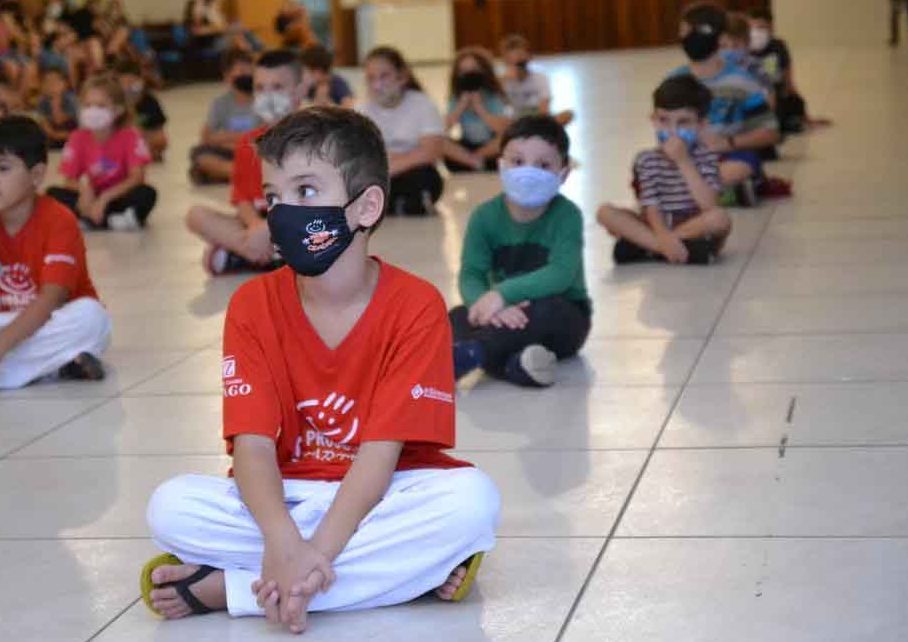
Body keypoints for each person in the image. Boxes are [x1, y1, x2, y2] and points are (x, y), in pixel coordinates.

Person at [141, 106, 500, 633]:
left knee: (471, 503)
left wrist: (310, 552)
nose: (284, 211)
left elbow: (381, 456)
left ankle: (233, 588)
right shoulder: (252, 305)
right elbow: (252, 447)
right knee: (169, 507)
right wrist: (283, 539)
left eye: (306, 191)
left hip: (386, 490)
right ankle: (406, 574)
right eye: (273, 197)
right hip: (288, 493)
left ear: (366, 206)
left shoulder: (417, 305)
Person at [450, 115, 590, 388]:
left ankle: (473, 353)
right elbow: (471, 274)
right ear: (501, 166)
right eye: (517, 161)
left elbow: (561, 274)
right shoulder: (484, 217)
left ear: (563, 174)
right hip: (501, 314)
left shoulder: (567, 215)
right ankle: (518, 368)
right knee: (457, 315)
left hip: (561, 317)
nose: (528, 173)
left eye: (543, 165)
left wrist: (502, 295)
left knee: (548, 310)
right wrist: (485, 304)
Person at [0, 115, 111, 389]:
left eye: (2, 168)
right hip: (7, 321)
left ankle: (12, 371)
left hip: (52, 319)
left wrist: (3, 344)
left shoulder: (58, 220)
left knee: (92, 318)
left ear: (36, 175)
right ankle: (51, 366)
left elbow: (51, 299)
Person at [185, 49, 303, 275]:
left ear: (298, 92)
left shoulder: (311, 140)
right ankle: (268, 255)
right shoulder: (248, 143)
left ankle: (245, 255)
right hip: (260, 222)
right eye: (260, 88)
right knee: (196, 215)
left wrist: (268, 229)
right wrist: (255, 226)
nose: (268, 96)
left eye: (277, 87)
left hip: (296, 221)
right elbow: (242, 200)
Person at [597, 75, 731, 266]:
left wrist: (684, 162)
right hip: (656, 226)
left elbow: (709, 205)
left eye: (683, 122)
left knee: (720, 219)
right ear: (653, 120)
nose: (672, 131)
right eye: (663, 121)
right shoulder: (646, 159)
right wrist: (662, 236)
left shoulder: (707, 156)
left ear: (701, 125)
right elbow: (650, 205)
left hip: (694, 227)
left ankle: (647, 247)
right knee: (605, 212)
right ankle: (669, 249)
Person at [674, 2, 782, 201]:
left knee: (739, 167)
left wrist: (726, 143)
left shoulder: (742, 81)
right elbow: (664, 130)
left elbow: (770, 133)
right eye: (683, 32)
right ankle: (715, 192)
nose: (685, 37)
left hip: (729, 154)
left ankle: (694, 193)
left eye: (691, 31)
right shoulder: (675, 81)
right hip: (688, 158)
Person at [46, 73, 157, 231]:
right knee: (53, 194)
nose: (93, 111)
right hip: (92, 195)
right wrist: (85, 190)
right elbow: (69, 179)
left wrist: (105, 198)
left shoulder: (130, 136)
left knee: (146, 193)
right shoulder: (77, 138)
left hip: (119, 195)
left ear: (118, 110)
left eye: (100, 106)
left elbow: (136, 177)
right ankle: (108, 219)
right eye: (88, 105)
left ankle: (93, 219)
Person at [361, 46, 444, 216]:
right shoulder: (361, 112)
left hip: (407, 171)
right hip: (377, 176)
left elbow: (430, 152)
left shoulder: (423, 105)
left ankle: (396, 205)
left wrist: (389, 167)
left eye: (384, 76)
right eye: (371, 78)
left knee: (427, 177)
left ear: (402, 77)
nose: (377, 85)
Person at [749, 8, 831, 133]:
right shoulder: (743, 49)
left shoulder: (778, 47)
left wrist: (806, 116)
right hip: (753, 97)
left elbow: (788, 81)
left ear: (771, 28)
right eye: (752, 28)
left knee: (795, 103)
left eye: (761, 28)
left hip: (776, 96)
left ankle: (789, 122)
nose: (755, 33)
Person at [189, 48, 259, 185]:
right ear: (227, 77)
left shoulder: (263, 101)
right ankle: (244, 174)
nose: (247, 76)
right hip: (228, 152)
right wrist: (240, 139)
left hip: (254, 152)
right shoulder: (220, 103)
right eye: (241, 71)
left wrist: (226, 137)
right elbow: (206, 137)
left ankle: (227, 174)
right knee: (200, 155)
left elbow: (264, 135)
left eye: (251, 71)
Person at [443, 47, 510, 172]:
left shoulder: (493, 96)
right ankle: (471, 160)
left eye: (474, 69)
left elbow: (501, 129)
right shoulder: (457, 97)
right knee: (439, 141)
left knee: (506, 139)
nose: (469, 74)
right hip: (467, 145)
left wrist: (479, 107)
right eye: (463, 71)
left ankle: (476, 158)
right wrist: (461, 105)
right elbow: (443, 128)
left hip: (490, 147)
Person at [499, 34, 573, 126]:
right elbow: (500, 106)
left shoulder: (540, 78)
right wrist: (504, 80)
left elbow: (544, 108)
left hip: (538, 119)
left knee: (567, 114)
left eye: (521, 59)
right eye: (512, 60)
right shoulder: (503, 81)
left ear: (529, 58)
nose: (518, 65)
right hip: (517, 121)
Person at [115, 59, 167, 162]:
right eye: (124, 83)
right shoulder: (113, 101)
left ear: (140, 81)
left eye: (132, 82)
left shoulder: (150, 101)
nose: (128, 86)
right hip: (119, 141)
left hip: (143, 137)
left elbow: (158, 129)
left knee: (159, 139)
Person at [35, 67, 78, 149]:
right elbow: (45, 124)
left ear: (65, 84)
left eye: (55, 81)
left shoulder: (71, 99)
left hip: (70, 134)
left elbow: (60, 120)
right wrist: (53, 134)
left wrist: (55, 99)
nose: (51, 85)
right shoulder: (42, 102)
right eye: (47, 81)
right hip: (53, 136)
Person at [300, 44, 353, 108]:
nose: (305, 75)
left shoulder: (337, 83)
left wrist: (328, 105)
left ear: (318, 71)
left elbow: (348, 106)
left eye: (308, 71)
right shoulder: (312, 87)